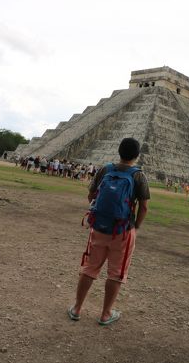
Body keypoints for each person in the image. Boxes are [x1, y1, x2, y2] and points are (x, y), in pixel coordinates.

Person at [68, 138, 150, 326]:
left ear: (119, 151)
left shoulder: (105, 170)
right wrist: (135, 226)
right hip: (123, 231)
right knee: (116, 273)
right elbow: (144, 207)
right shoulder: (139, 176)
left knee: (89, 268)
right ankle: (105, 314)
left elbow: (91, 195)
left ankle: (77, 308)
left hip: (99, 227)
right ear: (137, 155)